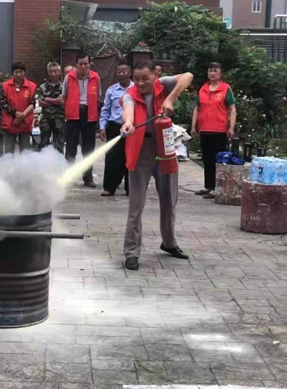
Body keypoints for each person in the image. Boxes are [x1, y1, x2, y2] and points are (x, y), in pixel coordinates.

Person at [120, 60, 194, 271]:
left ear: (155, 75)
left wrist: (170, 99)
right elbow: (128, 110)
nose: (140, 83)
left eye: (145, 78)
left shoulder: (163, 84)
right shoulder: (130, 94)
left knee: (169, 199)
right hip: (140, 151)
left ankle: (169, 243)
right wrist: (128, 123)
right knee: (136, 205)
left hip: (165, 148)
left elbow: (188, 75)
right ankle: (131, 252)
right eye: (136, 79)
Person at [190, 62, 236, 199]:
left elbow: (232, 109)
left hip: (219, 130)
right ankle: (208, 186)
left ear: (221, 73)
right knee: (207, 159)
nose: (212, 73)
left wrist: (231, 127)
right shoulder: (203, 89)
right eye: (210, 70)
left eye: (215, 70)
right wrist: (193, 126)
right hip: (204, 129)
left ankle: (218, 188)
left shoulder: (226, 89)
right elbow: (197, 109)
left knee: (218, 160)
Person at [62, 53, 102, 188]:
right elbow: (64, 96)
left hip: (89, 115)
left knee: (88, 148)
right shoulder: (69, 77)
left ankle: (88, 178)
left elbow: (98, 96)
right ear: (76, 64)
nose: (83, 66)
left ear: (89, 64)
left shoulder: (95, 77)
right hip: (73, 115)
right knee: (71, 146)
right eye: (81, 64)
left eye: (86, 64)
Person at [99, 60, 133, 196]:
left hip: (132, 128)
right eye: (118, 72)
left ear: (130, 72)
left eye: (124, 71)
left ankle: (131, 188)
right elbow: (105, 110)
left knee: (130, 157)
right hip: (114, 127)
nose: (121, 74)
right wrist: (102, 127)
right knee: (112, 158)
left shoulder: (136, 89)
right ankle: (109, 187)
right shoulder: (111, 90)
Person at [2, 61, 37, 155]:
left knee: (25, 151)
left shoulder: (32, 86)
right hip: (10, 122)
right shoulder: (4, 86)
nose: (18, 74)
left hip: (25, 122)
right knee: (8, 151)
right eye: (16, 72)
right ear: (12, 73)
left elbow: (32, 103)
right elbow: (3, 103)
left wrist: (21, 116)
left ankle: (24, 165)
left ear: (25, 72)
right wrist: (15, 113)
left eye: (21, 72)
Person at [38, 62, 65, 153]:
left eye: (55, 71)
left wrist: (47, 99)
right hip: (46, 118)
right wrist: (56, 101)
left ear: (59, 72)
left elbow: (63, 102)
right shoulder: (42, 87)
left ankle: (59, 160)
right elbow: (40, 103)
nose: (53, 74)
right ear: (48, 73)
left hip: (59, 117)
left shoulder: (63, 86)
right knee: (44, 141)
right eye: (51, 71)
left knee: (59, 142)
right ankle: (43, 159)